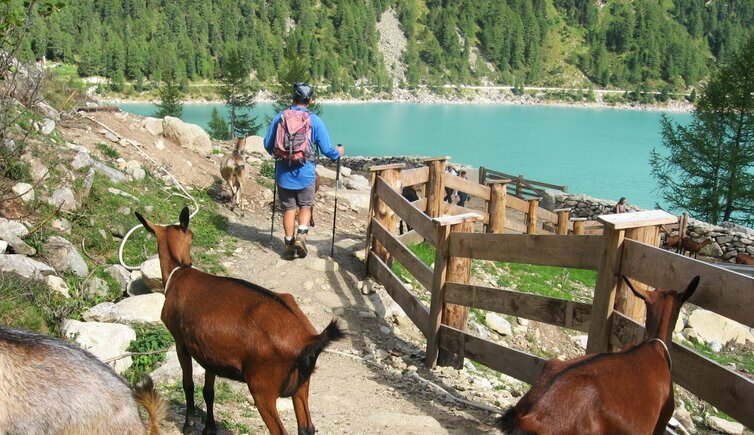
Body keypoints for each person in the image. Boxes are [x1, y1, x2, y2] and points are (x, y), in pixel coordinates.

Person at [264, 82, 344, 260]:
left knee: (289, 209)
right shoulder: (314, 120)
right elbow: (327, 150)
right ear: (310, 100)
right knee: (305, 206)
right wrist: (338, 153)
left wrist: (281, 155)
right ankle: (301, 235)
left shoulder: (280, 117)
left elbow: (267, 144)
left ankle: (288, 244)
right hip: (306, 173)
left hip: (284, 174)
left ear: (293, 98)